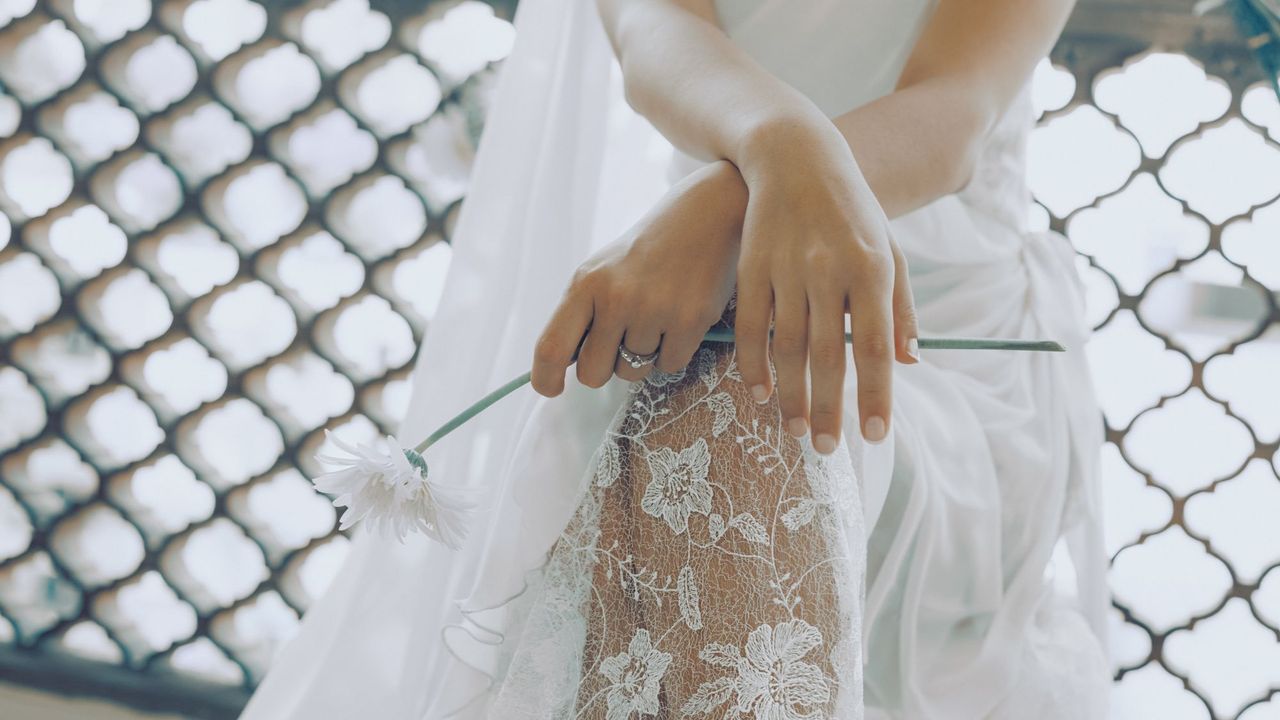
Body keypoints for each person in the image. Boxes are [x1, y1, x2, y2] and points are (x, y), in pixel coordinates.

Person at [240, 0, 1110, 717]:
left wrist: (733, 196)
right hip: (697, 288)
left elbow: (957, 109)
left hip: (945, 346)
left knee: (738, 414)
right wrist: (772, 153)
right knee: (709, 401)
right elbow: (654, 34)